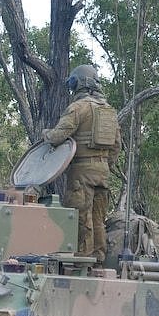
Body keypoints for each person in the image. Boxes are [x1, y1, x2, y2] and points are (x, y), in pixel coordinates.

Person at [42, 64, 121, 265]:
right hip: (102, 174)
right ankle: (99, 259)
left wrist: (46, 135)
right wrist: (104, 165)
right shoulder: (109, 111)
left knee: (80, 218)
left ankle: (81, 263)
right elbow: (116, 146)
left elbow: (59, 136)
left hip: (81, 173)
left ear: (78, 83)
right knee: (98, 219)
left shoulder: (77, 108)